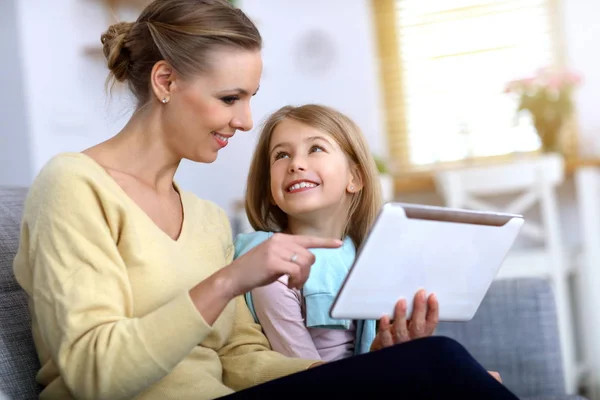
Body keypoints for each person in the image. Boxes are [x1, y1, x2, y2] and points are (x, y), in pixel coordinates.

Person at [12, 0, 517, 399]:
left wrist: (374, 373)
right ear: (165, 81)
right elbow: (93, 375)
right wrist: (231, 279)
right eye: (231, 98)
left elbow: (239, 358)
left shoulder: (207, 219)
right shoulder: (74, 186)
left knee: (437, 368)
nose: (247, 121)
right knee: (444, 365)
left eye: (250, 98)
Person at [234, 104, 435, 361]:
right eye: (281, 155)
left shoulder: (373, 261)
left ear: (355, 177)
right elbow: (306, 378)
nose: (295, 164)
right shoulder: (271, 269)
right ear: (269, 191)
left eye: (316, 148)